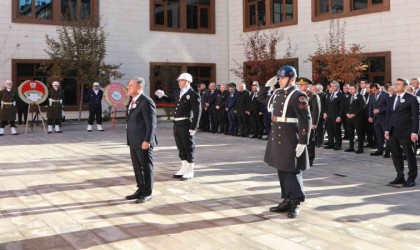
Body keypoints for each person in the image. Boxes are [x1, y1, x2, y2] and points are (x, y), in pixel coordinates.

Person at [257, 65, 311, 218]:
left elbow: (305, 119)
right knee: (282, 168)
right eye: (279, 77)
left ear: (292, 79)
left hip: (290, 137)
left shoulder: (298, 96)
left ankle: (296, 202)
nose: (279, 80)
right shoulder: (278, 93)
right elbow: (261, 98)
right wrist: (267, 86)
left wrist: (302, 140)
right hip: (278, 136)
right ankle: (287, 199)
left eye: (282, 77)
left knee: (292, 170)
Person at [125, 77, 157, 203]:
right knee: (137, 167)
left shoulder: (146, 102)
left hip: (143, 141)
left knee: (146, 167)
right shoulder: (133, 100)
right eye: (128, 85)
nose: (128, 87)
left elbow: (151, 124)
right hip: (133, 140)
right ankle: (140, 189)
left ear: (139, 87)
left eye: (131, 85)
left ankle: (147, 192)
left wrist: (147, 140)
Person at [385, 78, 418, 187]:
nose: (396, 86)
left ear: (404, 87)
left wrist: (414, 132)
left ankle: (411, 178)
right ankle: (400, 176)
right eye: (395, 84)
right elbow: (389, 115)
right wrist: (386, 130)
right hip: (393, 131)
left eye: (398, 84)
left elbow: (415, 117)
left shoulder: (411, 99)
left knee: (409, 155)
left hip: (406, 132)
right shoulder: (391, 98)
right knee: (395, 155)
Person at [172, 73, 201, 180]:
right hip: (177, 123)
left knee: (189, 147)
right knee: (181, 147)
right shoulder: (179, 92)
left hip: (185, 123)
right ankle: (183, 168)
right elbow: (173, 101)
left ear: (188, 82)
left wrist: (194, 127)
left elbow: (198, 112)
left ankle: (190, 171)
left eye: (181, 80)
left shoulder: (193, 94)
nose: (179, 82)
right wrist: (163, 96)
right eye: (179, 80)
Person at [297, 78, 320, 166]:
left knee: (309, 141)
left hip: (309, 122)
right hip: (299, 122)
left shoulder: (313, 95)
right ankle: (301, 158)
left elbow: (316, 111)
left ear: (307, 86)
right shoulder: (298, 95)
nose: (300, 86)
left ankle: (310, 160)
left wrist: (314, 123)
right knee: (300, 140)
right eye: (299, 85)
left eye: (302, 85)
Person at [369, 83, 391, 157]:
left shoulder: (386, 95)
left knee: (387, 136)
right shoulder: (371, 95)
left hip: (385, 118)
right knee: (378, 135)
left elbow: (389, 107)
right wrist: (370, 116)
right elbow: (370, 106)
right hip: (376, 119)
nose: (374, 92)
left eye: (375, 90)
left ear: (379, 88)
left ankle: (388, 151)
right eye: (372, 91)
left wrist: (380, 110)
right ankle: (380, 150)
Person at [344, 84, 366, 153]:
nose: (350, 90)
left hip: (357, 118)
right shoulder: (349, 96)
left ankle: (360, 148)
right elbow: (346, 106)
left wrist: (355, 114)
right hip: (349, 118)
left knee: (359, 133)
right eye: (350, 89)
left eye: (352, 89)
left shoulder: (360, 97)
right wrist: (347, 113)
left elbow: (362, 107)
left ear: (356, 89)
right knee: (350, 133)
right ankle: (351, 147)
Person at [324, 81, 345, 150]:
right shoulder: (330, 95)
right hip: (329, 116)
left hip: (336, 116)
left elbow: (342, 107)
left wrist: (339, 116)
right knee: (329, 130)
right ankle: (331, 143)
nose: (332, 88)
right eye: (331, 86)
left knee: (337, 131)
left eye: (333, 86)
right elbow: (326, 105)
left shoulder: (341, 95)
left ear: (337, 87)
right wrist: (325, 112)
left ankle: (338, 145)